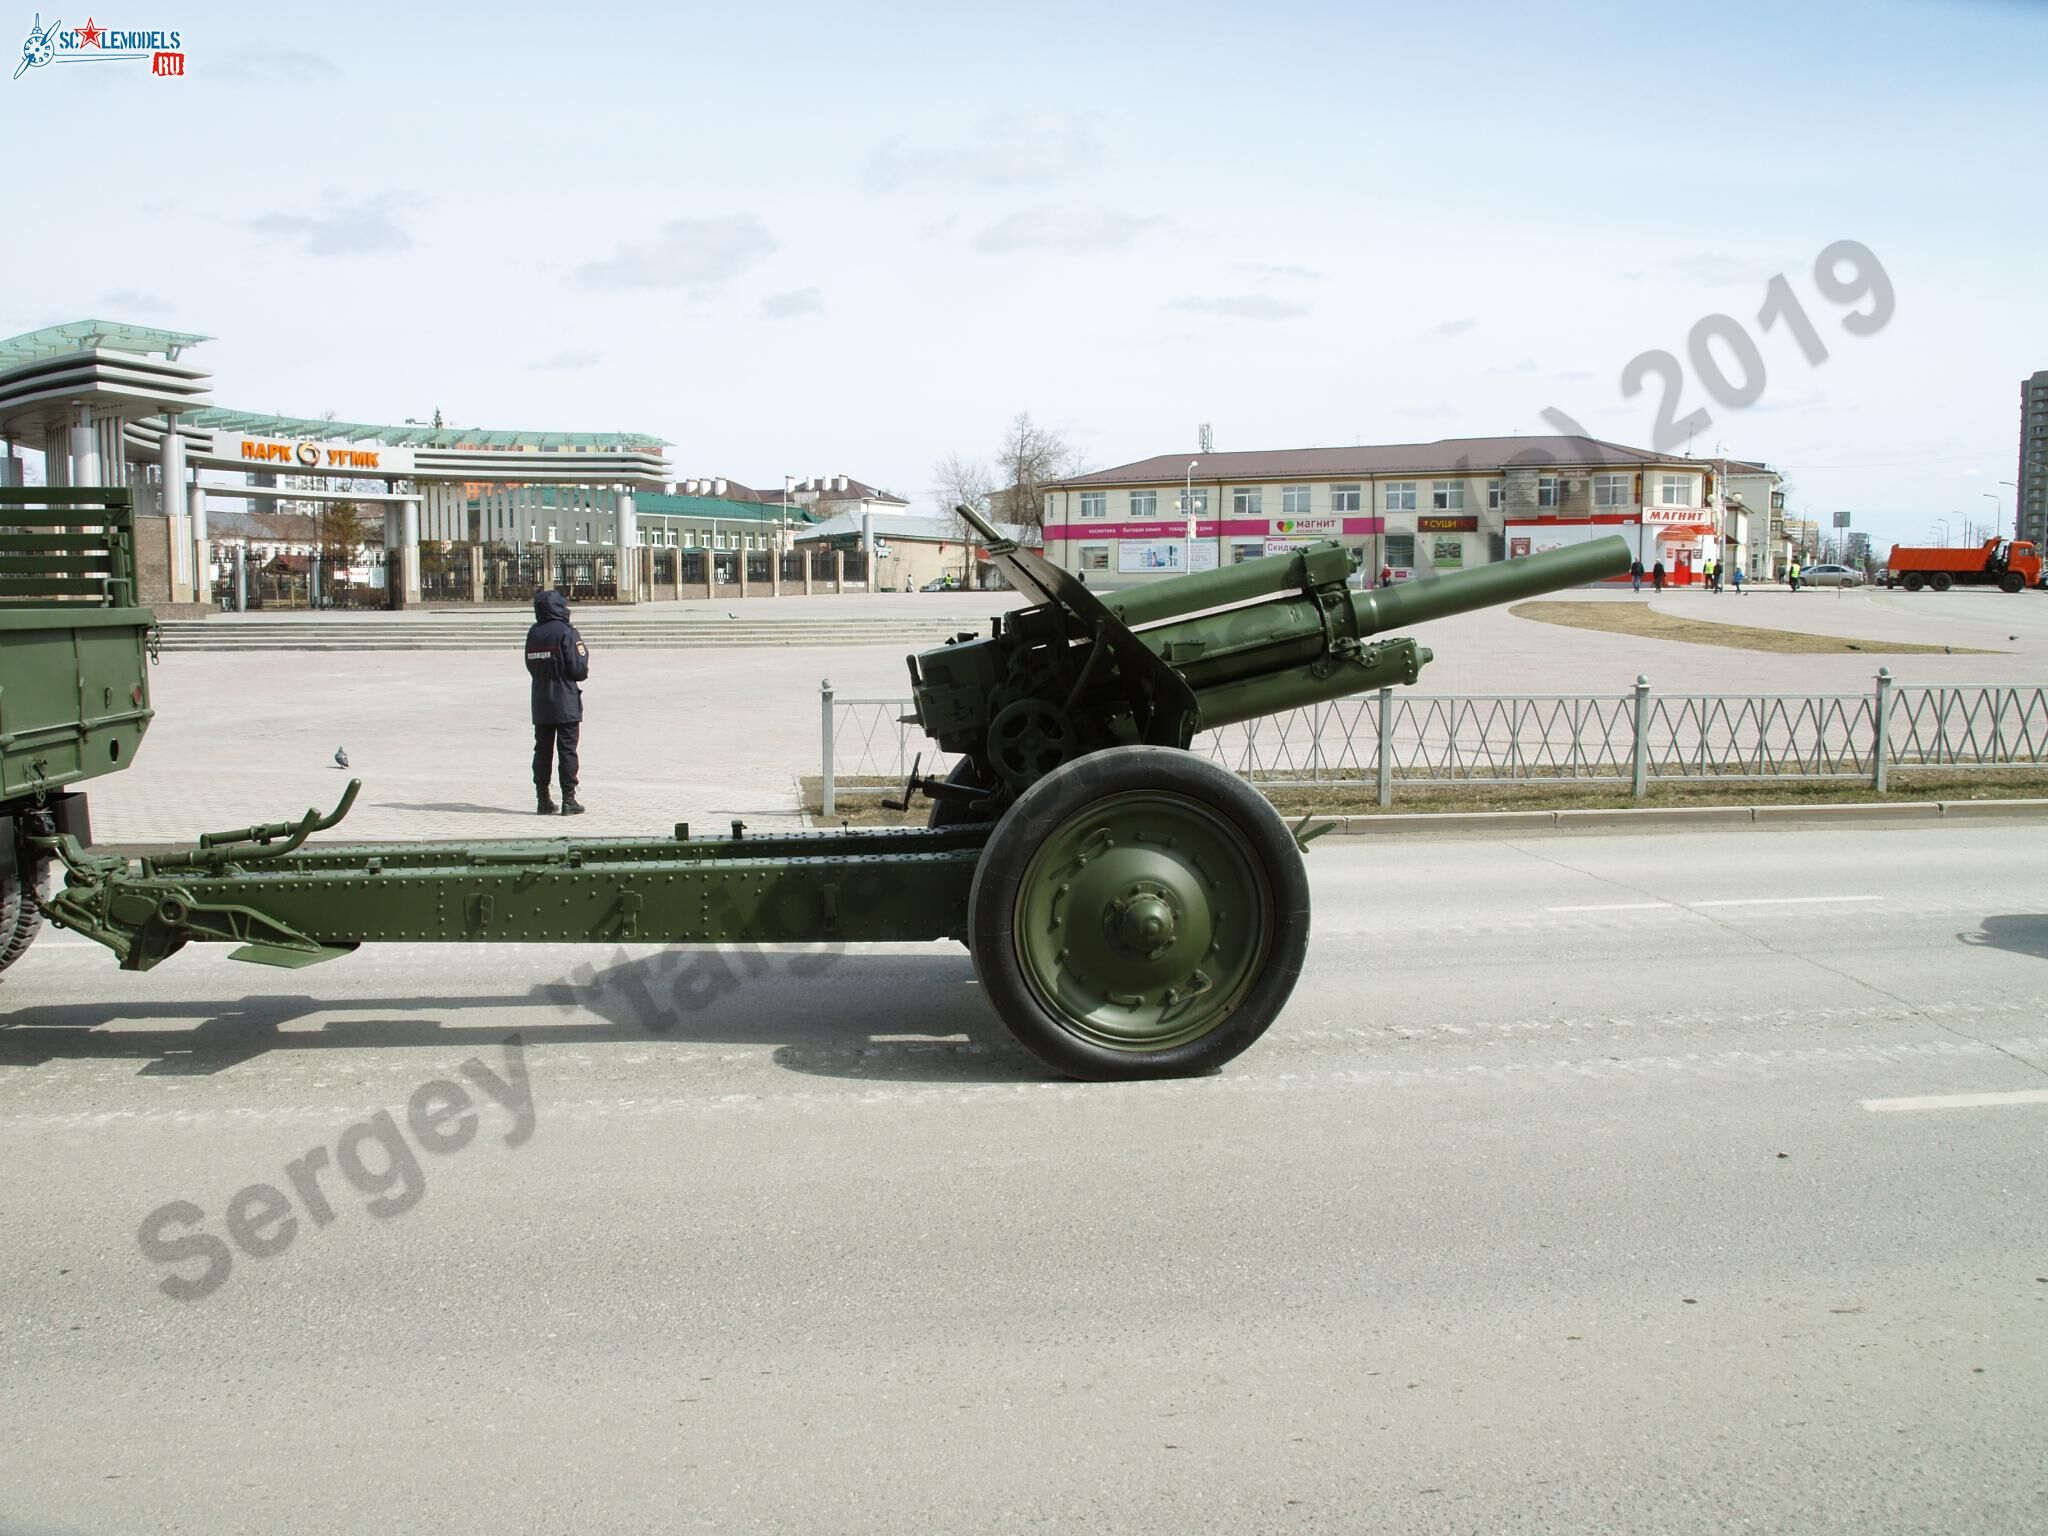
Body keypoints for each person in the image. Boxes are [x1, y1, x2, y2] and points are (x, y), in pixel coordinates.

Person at [525, 589, 589, 815]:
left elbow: (530, 665)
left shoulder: (533, 633)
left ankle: (543, 799)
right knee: (567, 750)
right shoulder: (566, 632)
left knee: (542, 750)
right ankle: (568, 800)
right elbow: (579, 669)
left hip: (541, 699)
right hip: (565, 699)